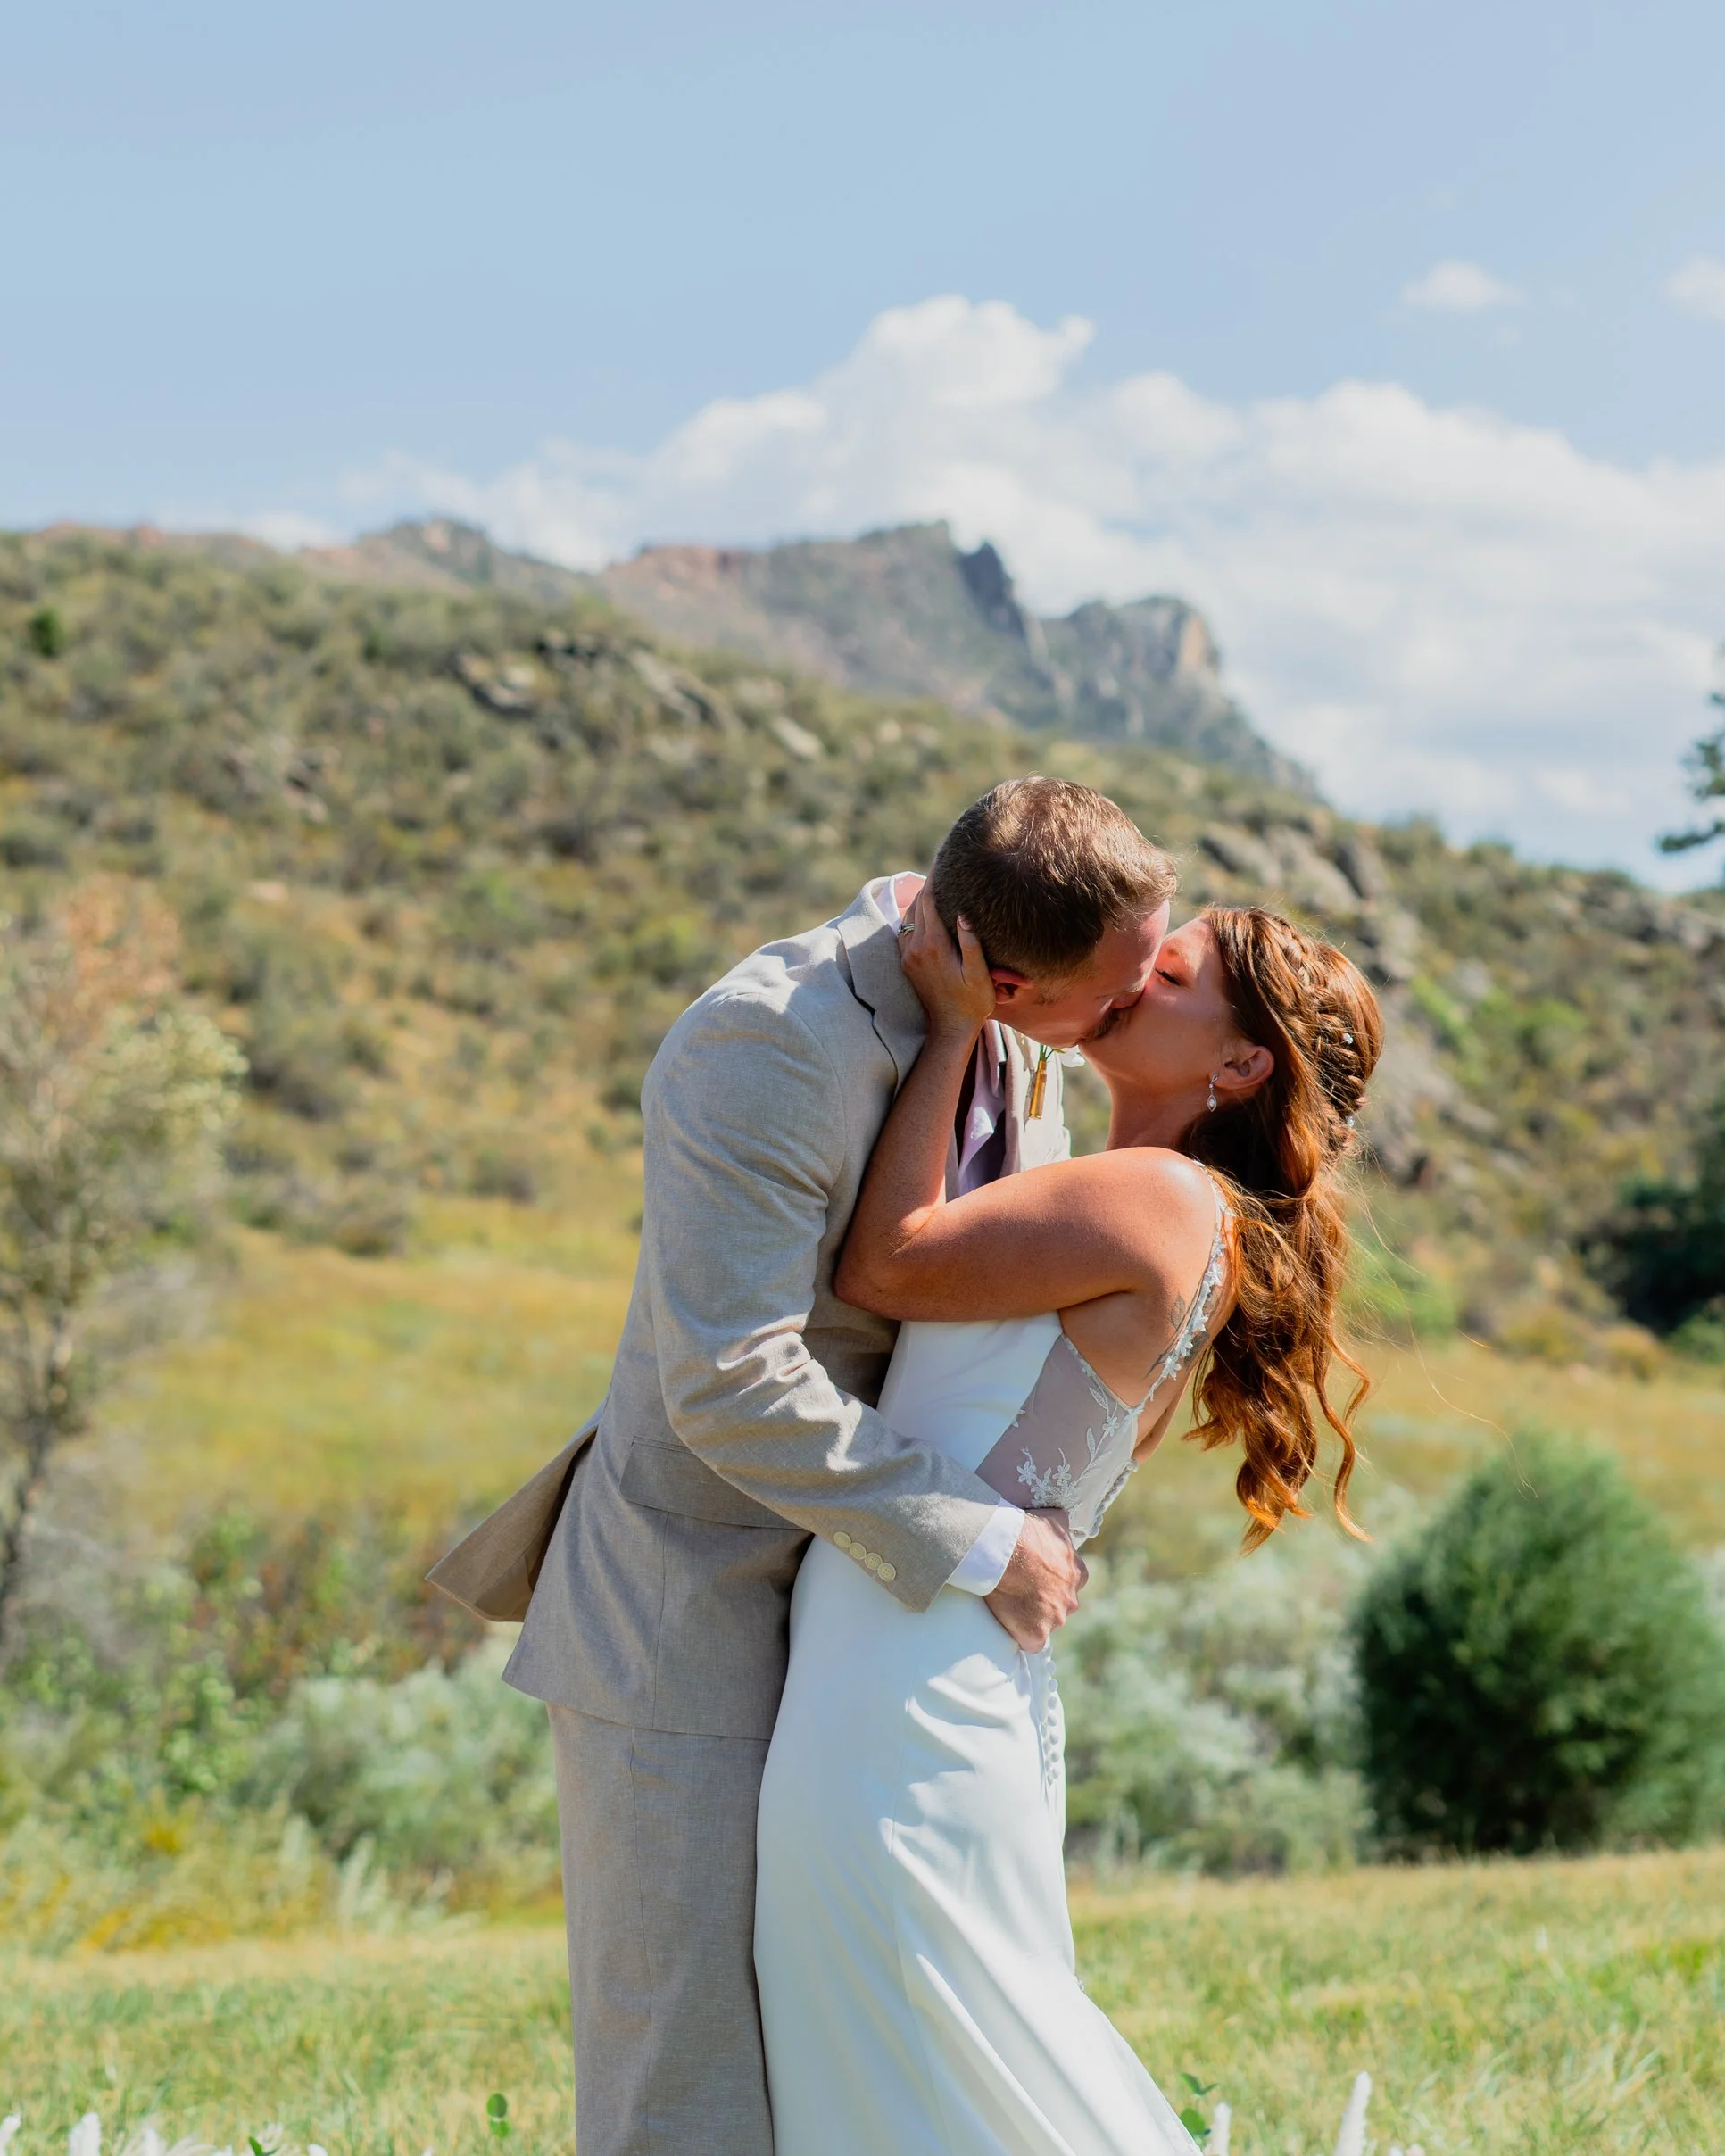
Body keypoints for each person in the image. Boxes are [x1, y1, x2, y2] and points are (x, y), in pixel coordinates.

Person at [427, 778, 1179, 2156]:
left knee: (859, 2048)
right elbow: (732, 1378)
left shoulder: (1012, 1035)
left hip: (868, 1638)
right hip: (689, 1609)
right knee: (694, 2078)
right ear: (1005, 974)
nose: (1123, 1023)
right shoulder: (763, 1046)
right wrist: (977, 1536)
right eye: (1114, 1002)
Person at [753, 885, 1384, 2156]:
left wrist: (948, 1028)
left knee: (944, 2057)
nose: (1135, 969)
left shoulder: (1154, 1197)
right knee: (920, 2056)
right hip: (931, 1647)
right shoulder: (1156, 1197)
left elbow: (886, 1262)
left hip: (906, 1667)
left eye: (1174, 971)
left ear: (1242, 1061)